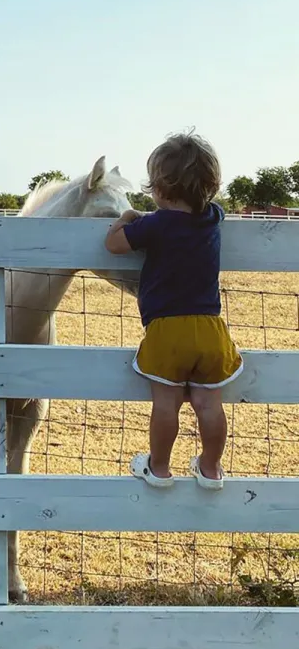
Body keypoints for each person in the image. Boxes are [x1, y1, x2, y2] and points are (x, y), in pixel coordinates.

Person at [105, 132, 242, 491]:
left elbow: (114, 245)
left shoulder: (156, 222)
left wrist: (127, 217)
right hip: (211, 330)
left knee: (166, 404)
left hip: (167, 332)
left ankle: (160, 468)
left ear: (161, 189)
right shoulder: (213, 216)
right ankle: (211, 469)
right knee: (208, 404)